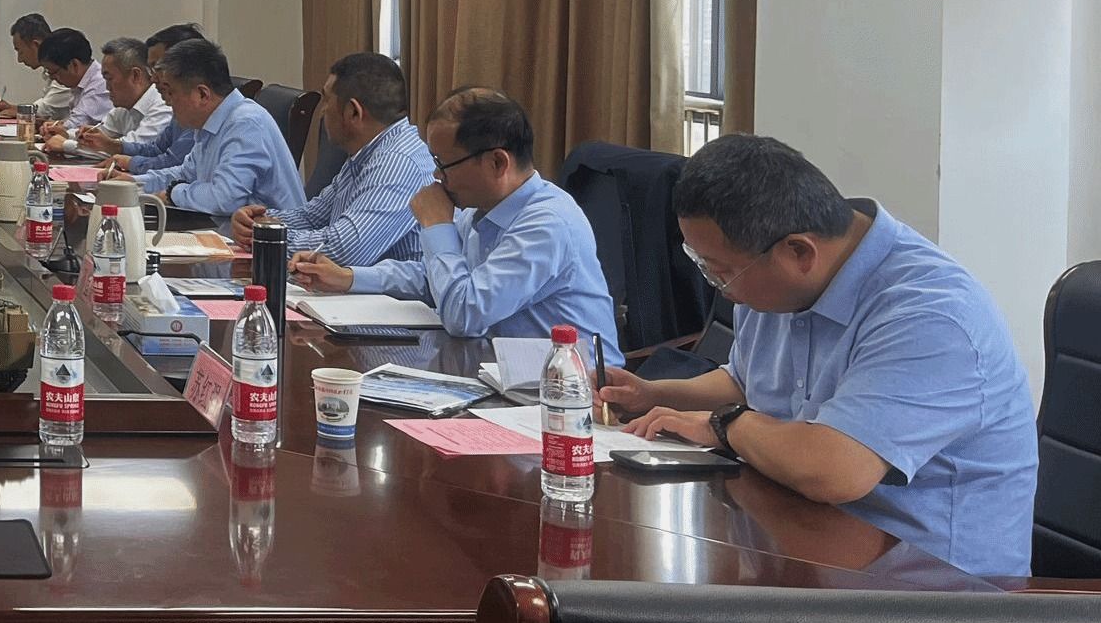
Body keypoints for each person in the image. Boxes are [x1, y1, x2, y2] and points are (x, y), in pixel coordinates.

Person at [602, 135, 1036, 577]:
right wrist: (654, 394)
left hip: (934, 588)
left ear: (798, 252)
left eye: (723, 272)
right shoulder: (778, 281)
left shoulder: (932, 318)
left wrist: (726, 425)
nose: (719, 287)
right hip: (805, 537)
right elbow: (746, 384)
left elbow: (832, 470)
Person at [292, 88, 621, 358]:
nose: (437, 175)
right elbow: (433, 277)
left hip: (571, 394)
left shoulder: (547, 223)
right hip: (503, 376)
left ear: (497, 162)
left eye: (444, 163)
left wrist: (437, 225)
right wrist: (348, 278)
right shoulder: (483, 209)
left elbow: (465, 313)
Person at [238, 52, 434, 267]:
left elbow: (345, 251)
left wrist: (265, 236)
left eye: (327, 100)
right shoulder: (367, 153)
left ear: (353, 112)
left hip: (393, 289)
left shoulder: (398, 162)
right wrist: (258, 222)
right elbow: (312, 217)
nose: (323, 112)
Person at [129, 37, 304, 219]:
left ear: (202, 94)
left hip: (273, 234)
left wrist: (173, 193)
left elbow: (225, 198)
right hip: (227, 229)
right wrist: (133, 184)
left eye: (171, 92)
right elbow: (186, 173)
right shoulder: (210, 123)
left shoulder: (246, 124)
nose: (167, 102)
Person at [87, 36, 171, 147]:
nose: (107, 87)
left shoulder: (163, 105)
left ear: (135, 75)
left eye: (109, 79)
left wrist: (67, 144)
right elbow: (101, 134)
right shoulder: (123, 107)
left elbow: (136, 147)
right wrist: (78, 136)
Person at [34, 27, 110, 141]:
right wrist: (57, 124)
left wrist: (59, 128)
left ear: (74, 65)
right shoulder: (83, 82)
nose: (52, 77)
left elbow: (78, 124)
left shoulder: (99, 85)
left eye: (53, 72)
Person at [11, 11, 74, 115]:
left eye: (20, 51)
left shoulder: (63, 66)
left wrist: (15, 110)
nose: (19, 59)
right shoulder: (50, 70)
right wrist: (12, 108)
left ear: (36, 45)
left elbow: (45, 110)